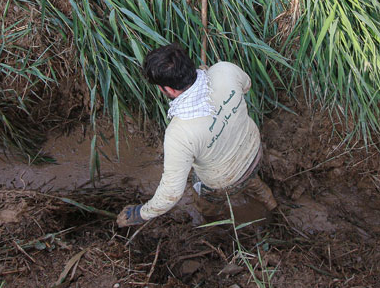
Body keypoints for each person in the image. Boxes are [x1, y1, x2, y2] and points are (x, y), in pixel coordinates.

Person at [115, 43, 278, 227]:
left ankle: (217, 227)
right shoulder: (225, 70)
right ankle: (270, 203)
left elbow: (171, 193)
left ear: (168, 90)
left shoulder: (179, 133)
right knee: (250, 178)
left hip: (222, 181)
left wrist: (141, 213)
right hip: (254, 152)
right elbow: (246, 85)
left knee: (205, 202)